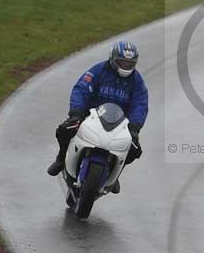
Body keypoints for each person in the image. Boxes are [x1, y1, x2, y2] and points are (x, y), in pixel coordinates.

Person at [47, 41, 148, 192]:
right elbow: (81, 89)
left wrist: (134, 127)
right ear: (113, 59)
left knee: (134, 149)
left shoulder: (137, 81)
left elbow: (140, 104)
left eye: (130, 63)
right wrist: (76, 112)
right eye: (122, 62)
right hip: (90, 117)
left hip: (119, 124)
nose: (126, 66)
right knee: (64, 129)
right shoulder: (98, 70)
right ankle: (61, 158)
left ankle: (115, 174)